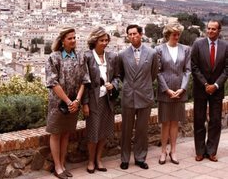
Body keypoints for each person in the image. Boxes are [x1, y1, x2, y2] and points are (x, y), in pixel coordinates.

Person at [45, 27, 89, 179]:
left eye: (74, 38)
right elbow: (52, 82)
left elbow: (84, 80)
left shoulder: (80, 57)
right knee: (56, 133)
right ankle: (57, 167)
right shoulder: (54, 57)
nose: (73, 41)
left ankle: (62, 164)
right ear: (62, 41)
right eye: (70, 38)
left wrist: (77, 100)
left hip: (73, 104)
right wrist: (68, 101)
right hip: (58, 103)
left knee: (66, 134)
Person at [119, 24, 158, 170]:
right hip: (129, 95)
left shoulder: (152, 53)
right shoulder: (122, 54)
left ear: (141, 35)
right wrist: (131, 86)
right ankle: (124, 158)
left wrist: (143, 85)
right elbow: (121, 74)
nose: (133, 36)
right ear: (127, 36)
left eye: (135, 34)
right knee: (126, 130)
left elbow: (153, 74)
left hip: (145, 95)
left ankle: (140, 158)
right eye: (130, 34)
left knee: (142, 129)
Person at [82, 27, 120, 173]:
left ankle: (99, 159)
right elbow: (84, 82)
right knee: (93, 131)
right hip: (93, 100)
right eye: (101, 40)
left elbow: (117, 76)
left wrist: (114, 85)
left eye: (106, 40)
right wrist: (84, 103)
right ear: (94, 41)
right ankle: (91, 161)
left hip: (107, 100)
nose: (104, 43)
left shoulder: (112, 57)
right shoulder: (87, 56)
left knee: (104, 130)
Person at [191, 20, 228, 162]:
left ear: (219, 31)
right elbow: (194, 66)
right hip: (201, 89)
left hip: (217, 91)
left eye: (214, 29)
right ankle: (200, 151)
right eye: (209, 28)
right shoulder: (197, 44)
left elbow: (226, 69)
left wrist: (216, 85)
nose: (210, 31)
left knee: (215, 121)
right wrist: (206, 84)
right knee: (199, 120)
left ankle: (211, 151)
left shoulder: (225, 46)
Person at [155, 22, 191, 165]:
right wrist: (167, 90)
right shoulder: (159, 49)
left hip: (179, 91)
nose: (177, 37)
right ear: (167, 35)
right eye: (174, 34)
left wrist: (182, 89)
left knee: (175, 122)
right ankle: (163, 151)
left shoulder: (186, 49)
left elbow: (187, 70)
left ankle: (174, 151)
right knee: (165, 123)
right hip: (165, 92)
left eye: (178, 34)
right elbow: (157, 72)